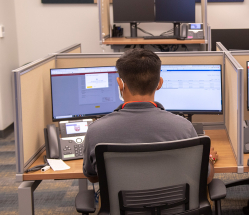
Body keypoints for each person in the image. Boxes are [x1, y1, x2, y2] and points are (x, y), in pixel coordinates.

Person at [83, 48, 218, 183]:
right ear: (160, 83)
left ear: (120, 84)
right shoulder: (183, 128)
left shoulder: (96, 130)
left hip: (120, 203)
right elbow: (205, 178)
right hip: (172, 202)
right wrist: (210, 157)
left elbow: (92, 176)